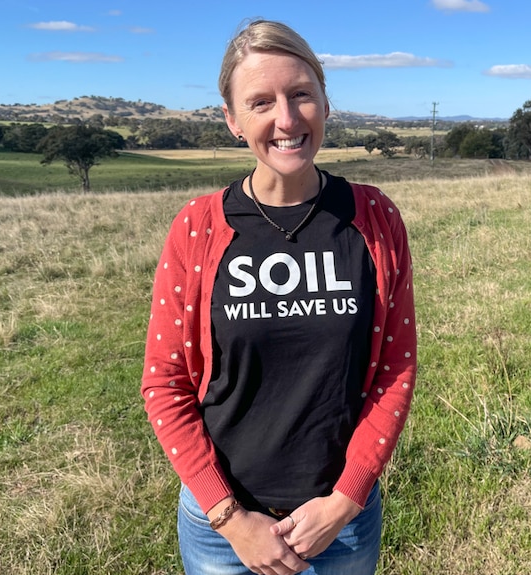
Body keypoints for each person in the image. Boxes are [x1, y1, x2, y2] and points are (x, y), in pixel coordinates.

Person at [141, 19, 417, 575]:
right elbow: (164, 383)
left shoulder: (375, 218)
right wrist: (230, 519)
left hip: (339, 521)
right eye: (261, 102)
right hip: (223, 525)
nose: (286, 120)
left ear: (325, 103)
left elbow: (395, 368)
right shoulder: (197, 227)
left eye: (300, 95)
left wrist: (346, 499)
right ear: (233, 121)